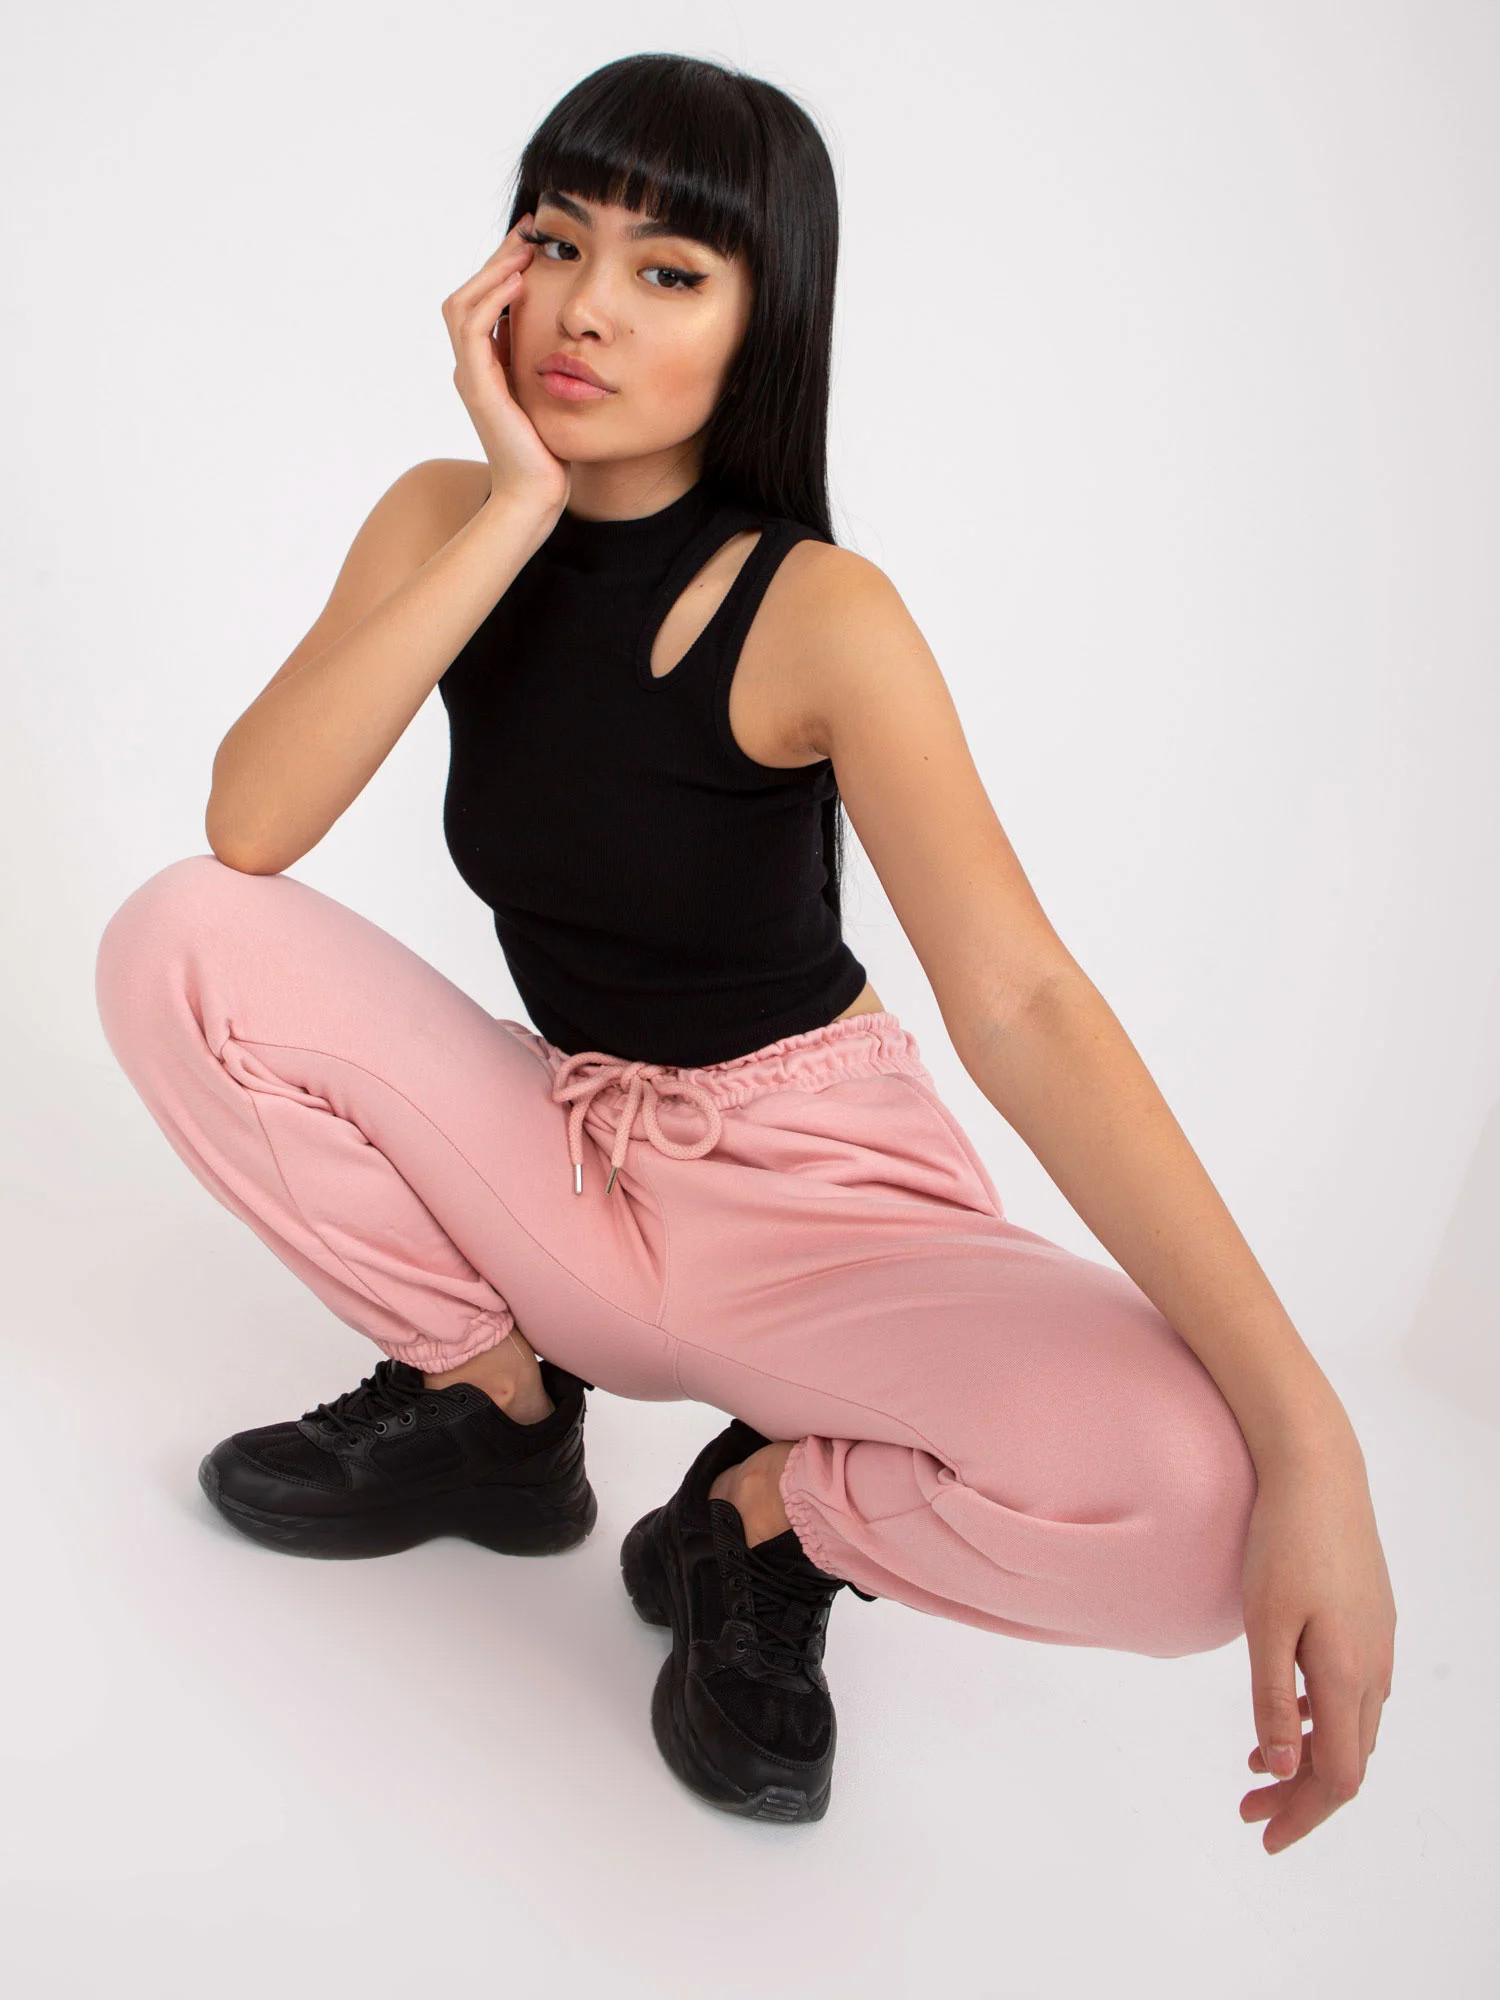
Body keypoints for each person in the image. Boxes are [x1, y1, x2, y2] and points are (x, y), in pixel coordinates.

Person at [93, 52, 1394, 1841]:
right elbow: (252, 828)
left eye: (670, 271)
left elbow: (1023, 1000)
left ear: (764, 323)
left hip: (819, 1199)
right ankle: (494, 1408)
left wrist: (1314, 1436)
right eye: (558, 241)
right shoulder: (440, 519)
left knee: (1201, 1516)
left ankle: (764, 1519)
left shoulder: (821, 613)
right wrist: (518, 505)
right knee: (180, 936)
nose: (586, 309)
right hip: (571, 1152)